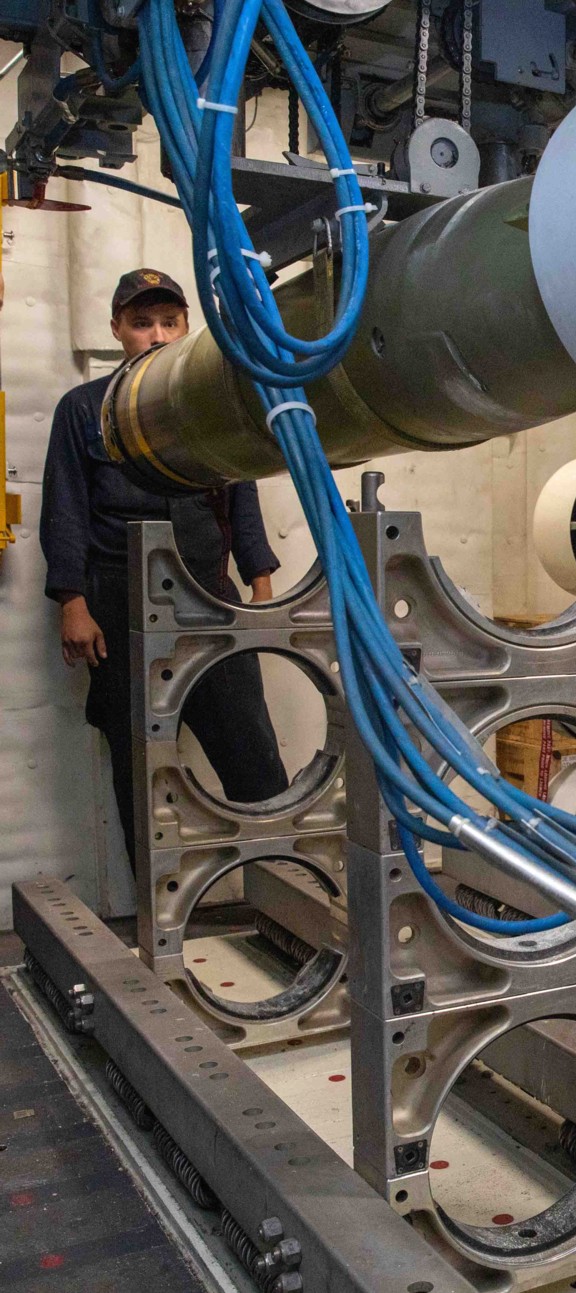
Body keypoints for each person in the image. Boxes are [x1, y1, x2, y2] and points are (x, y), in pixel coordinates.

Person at [40, 268, 290, 870]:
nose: (156, 335)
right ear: (118, 331)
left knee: (252, 754)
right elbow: (66, 505)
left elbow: (241, 495)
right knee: (141, 766)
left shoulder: (208, 403)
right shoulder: (83, 410)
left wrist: (259, 589)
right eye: (141, 323)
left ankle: (284, 890)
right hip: (118, 599)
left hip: (211, 597)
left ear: (184, 328)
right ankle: (162, 922)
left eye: (168, 322)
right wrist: (72, 601)